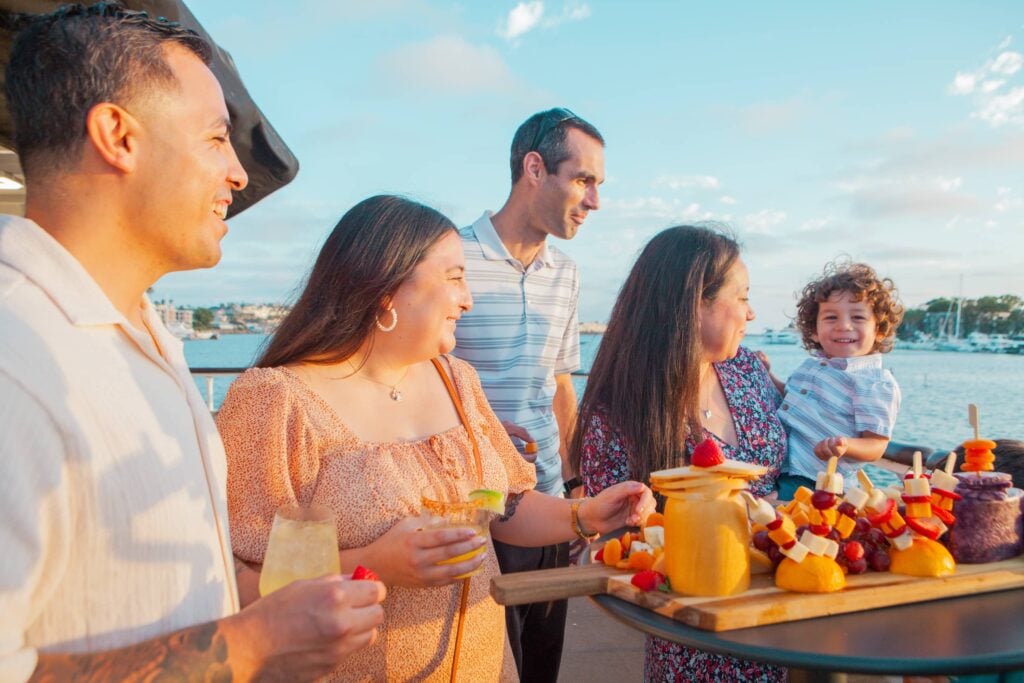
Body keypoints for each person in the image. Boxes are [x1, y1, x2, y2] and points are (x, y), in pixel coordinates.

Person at [0, 5, 385, 681]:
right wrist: (251, 643)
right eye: (216, 138)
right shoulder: (19, 358)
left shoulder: (146, 335)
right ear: (117, 135)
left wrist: (261, 605)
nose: (238, 176)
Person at [215, 194, 654, 682]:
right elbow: (237, 583)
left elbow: (501, 506)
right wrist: (373, 563)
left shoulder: (457, 381)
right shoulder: (276, 402)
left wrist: (585, 514)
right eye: (454, 278)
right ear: (386, 289)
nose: (468, 298)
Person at [569, 225, 787, 682]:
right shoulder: (619, 410)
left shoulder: (746, 368)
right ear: (694, 304)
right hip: (697, 629)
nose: (751, 312)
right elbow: (616, 541)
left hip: (783, 601)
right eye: (742, 297)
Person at [452, 107, 603, 682]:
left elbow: (561, 388)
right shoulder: (450, 258)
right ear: (534, 168)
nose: (594, 201)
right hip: (474, 507)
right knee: (484, 667)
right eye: (584, 180)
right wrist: (481, 431)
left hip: (545, 505)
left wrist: (574, 491)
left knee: (541, 667)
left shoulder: (566, 273)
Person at [775, 262, 904, 501]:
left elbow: (876, 445)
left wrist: (845, 445)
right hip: (780, 469)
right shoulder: (812, 365)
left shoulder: (874, 382)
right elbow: (790, 399)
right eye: (831, 317)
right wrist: (769, 376)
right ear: (813, 330)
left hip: (818, 482)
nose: (844, 326)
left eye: (857, 317)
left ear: (879, 330)